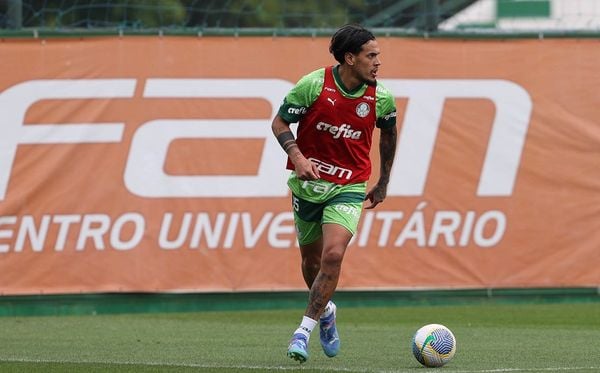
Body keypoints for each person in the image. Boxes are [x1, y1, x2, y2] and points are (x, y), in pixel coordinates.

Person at [271, 24, 397, 363]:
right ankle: (326, 311)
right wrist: (297, 158)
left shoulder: (380, 97)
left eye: (378, 56)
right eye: (371, 56)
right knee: (311, 261)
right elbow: (279, 123)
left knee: (333, 255)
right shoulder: (313, 85)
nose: (377, 63)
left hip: (349, 187)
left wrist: (383, 181)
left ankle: (304, 330)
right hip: (308, 187)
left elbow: (388, 135)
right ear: (349, 57)